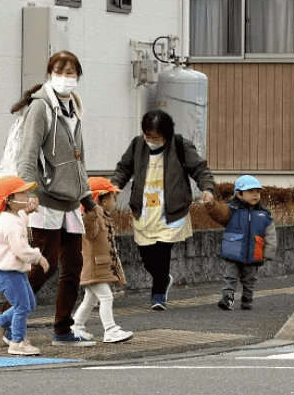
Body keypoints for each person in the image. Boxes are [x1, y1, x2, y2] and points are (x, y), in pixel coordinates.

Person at [11, 50, 97, 347]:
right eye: (61, 71)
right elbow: (27, 154)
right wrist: (26, 194)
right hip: (44, 201)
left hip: (71, 203)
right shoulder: (41, 108)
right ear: (50, 74)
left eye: (72, 71)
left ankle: (62, 330)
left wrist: (89, 201)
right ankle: (6, 319)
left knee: (73, 268)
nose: (66, 76)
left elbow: (78, 161)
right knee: (43, 266)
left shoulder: (74, 109)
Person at [110, 109, 215, 310]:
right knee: (146, 256)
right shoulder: (137, 145)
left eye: (156, 137)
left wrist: (207, 189)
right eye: (147, 135)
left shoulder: (179, 145)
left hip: (171, 210)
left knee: (162, 251)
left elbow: (200, 168)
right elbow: (124, 169)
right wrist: (114, 188)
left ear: (166, 134)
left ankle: (158, 294)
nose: (151, 140)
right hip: (144, 210)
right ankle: (164, 279)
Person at [0, 176, 50, 356]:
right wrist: (39, 258)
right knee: (22, 306)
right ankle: (17, 342)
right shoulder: (9, 222)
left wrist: (29, 211)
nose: (27, 194)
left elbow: (22, 218)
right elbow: (21, 250)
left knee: (29, 304)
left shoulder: (13, 215)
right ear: (9, 199)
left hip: (14, 272)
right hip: (7, 273)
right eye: (22, 192)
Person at [201, 175, 277, 311]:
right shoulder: (232, 210)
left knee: (250, 279)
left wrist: (268, 253)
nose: (255, 195)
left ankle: (247, 298)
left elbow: (270, 235)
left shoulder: (264, 214)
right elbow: (218, 212)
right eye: (250, 192)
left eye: (257, 192)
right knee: (229, 275)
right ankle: (227, 297)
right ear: (240, 194)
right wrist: (210, 203)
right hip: (233, 249)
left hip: (255, 251)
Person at [71, 177, 133, 344]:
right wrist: (92, 209)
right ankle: (110, 329)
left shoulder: (101, 217)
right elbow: (89, 231)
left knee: (90, 299)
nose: (115, 201)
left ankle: (76, 325)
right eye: (113, 198)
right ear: (103, 200)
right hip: (94, 268)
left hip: (97, 268)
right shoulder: (91, 217)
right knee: (106, 297)